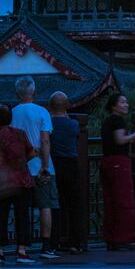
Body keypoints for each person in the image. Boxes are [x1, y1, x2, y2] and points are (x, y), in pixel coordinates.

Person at [11, 76, 60, 259]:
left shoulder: (12, 113)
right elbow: (45, 139)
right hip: (41, 165)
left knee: (21, 207)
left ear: (17, 93)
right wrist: (45, 166)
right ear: (35, 92)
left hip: (21, 167)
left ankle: (21, 246)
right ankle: (46, 246)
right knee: (45, 205)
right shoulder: (42, 112)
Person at [0, 104, 37, 264]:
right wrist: (21, 163)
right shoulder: (20, 134)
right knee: (22, 215)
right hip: (22, 180)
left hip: (0, 182)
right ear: (10, 118)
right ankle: (22, 251)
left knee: (0, 215)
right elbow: (32, 152)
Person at [100, 93, 135, 250]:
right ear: (114, 106)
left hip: (107, 162)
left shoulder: (108, 121)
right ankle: (122, 239)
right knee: (123, 201)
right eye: (122, 102)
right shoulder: (117, 120)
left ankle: (111, 239)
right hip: (118, 163)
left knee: (110, 201)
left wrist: (131, 139)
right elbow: (120, 140)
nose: (126, 105)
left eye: (126, 102)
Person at [48, 91, 85, 254]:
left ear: (50, 106)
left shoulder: (48, 124)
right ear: (67, 106)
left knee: (54, 203)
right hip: (71, 164)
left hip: (54, 163)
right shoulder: (74, 124)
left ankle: (53, 241)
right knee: (74, 204)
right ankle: (75, 242)